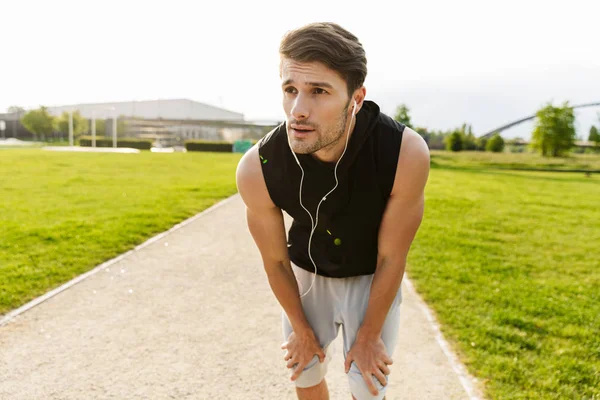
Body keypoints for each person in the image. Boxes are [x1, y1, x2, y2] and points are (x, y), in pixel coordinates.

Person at [236, 22, 430, 400]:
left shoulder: (404, 153)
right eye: (290, 89)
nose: (298, 110)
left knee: (368, 385)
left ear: (356, 98)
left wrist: (370, 335)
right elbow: (275, 262)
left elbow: (393, 256)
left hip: (371, 276)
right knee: (305, 375)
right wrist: (301, 329)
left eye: (318, 91)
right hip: (307, 275)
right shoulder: (257, 166)